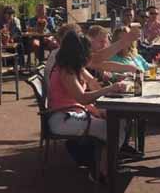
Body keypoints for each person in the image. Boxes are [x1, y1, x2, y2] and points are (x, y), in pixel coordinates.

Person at [47, 32, 127, 180]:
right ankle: (101, 171)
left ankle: (101, 164)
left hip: (71, 114)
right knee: (114, 129)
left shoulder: (71, 67)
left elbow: (80, 96)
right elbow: (82, 98)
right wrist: (109, 89)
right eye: (86, 50)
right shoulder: (66, 72)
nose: (89, 53)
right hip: (63, 119)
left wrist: (96, 109)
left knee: (117, 123)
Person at [109, 28, 160, 158]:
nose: (126, 41)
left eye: (128, 38)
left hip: (148, 91)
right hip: (132, 97)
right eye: (122, 38)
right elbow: (111, 75)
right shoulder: (113, 58)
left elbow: (149, 68)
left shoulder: (135, 55)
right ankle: (123, 146)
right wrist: (123, 76)